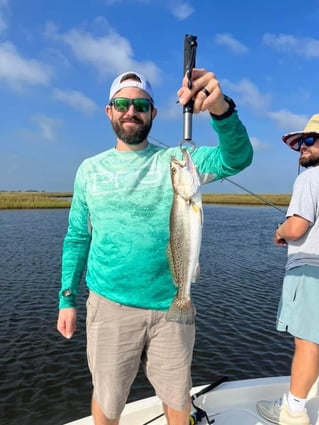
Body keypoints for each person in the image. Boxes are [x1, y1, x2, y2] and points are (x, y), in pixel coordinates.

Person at [57, 68, 253, 425]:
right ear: (109, 111)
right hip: (109, 306)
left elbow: (237, 158)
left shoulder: (179, 161)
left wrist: (221, 109)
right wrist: (66, 298)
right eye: (122, 103)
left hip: (172, 305)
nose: (131, 111)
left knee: (177, 396)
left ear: (153, 113)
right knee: (107, 397)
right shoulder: (89, 170)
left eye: (141, 104)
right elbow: (77, 236)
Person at [256, 114, 319, 425]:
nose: (302, 148)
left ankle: (293, 410)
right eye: (301, 143)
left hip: (310, 271)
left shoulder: (309, 178)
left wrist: (280, 231)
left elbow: (297, 227)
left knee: (307, 341)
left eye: (310, 141)